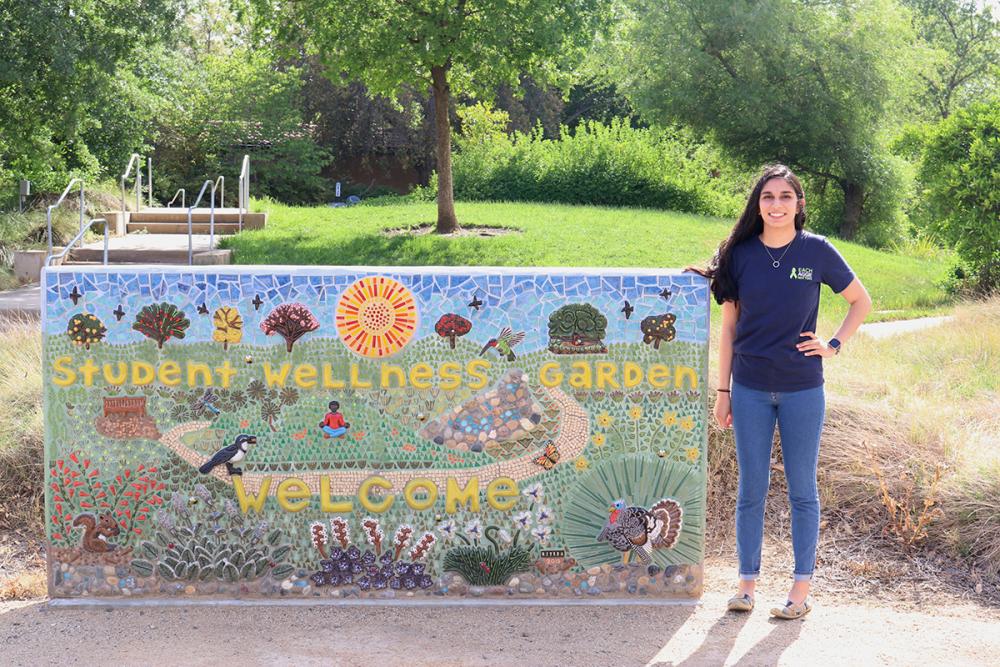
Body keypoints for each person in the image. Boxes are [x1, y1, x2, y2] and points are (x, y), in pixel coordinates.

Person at [703, 164, 871, 620]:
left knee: (802, 490)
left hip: (802, 389)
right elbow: (729, 328)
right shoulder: (740, 254)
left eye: (785, 197)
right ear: (758, 204)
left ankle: (800, 591)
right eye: (767, 197)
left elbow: (861, 300)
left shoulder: (817, 251)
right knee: (751, 489)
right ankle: (746, 587)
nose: (776, 205)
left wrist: (832, 345)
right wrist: (723, 390)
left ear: (799, 203)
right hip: (751, 389)